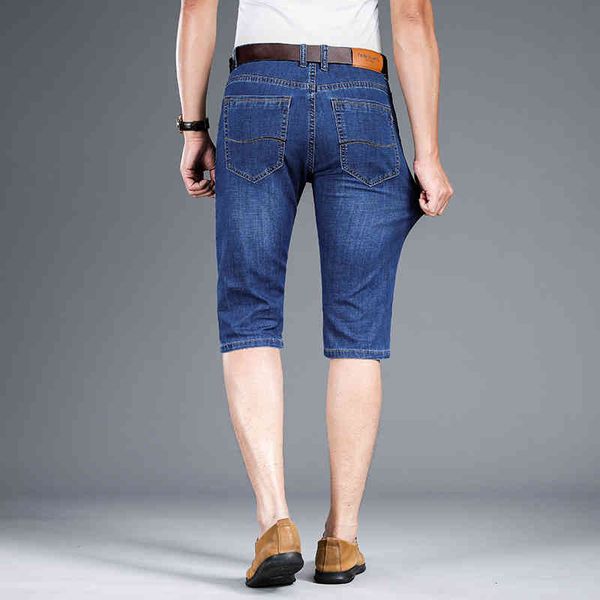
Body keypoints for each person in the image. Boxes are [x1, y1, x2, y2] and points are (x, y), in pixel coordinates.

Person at [175, 0, 453, 587]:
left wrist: (193, 129)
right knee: (358, 325)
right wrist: (427, 154)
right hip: (359, 94)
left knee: (249, 313)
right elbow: (413, 20)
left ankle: (275, 522)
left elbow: (197, 6)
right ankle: (341, 540)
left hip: (257, 89)